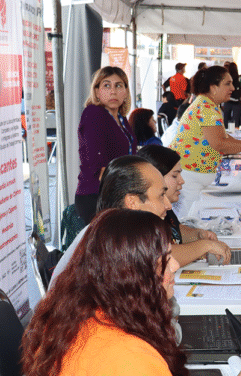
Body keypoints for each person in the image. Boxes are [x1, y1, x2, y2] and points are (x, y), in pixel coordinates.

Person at [23, 209, 241, 376]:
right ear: (132, 275)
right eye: (164, 259)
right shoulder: (125, 357)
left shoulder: (83, 315)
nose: (175, 265)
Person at [50, 155, 173, 288]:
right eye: (161, 195)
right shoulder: (114, 244)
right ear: (132, 202)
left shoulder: (115, 232)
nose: (168, 205)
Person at [170, 66, 241, 217]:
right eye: (227, 83)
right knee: (186, 224)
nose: (233, 87)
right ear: (213, 88)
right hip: (188, 177)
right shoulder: (206, 107)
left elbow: (222, 137)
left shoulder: (208, 105)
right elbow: (219, 143)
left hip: (190, 176)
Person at [138, 145, 231, 266]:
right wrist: (204, 246)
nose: (182, 181)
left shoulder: (164, 208)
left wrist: (198, 235)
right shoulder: (144, 214)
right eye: (175, 175)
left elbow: (175, 232)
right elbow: (162, 255)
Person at [75, 66, 137, 224]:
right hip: (98, 196)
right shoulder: (94, 114)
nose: (113, 91)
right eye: (106, 85)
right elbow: (98, 163)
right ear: (96, 91)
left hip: (119, 193)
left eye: (119, 85)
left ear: (125, 91)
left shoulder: (122, 119)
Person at [221, 62, 241, 128]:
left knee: (226, 121)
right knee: (235, 122)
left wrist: (222, 103)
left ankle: (226, 134)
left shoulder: (226, 78)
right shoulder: (240, 78)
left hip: (228, 101)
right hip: (236, 101)